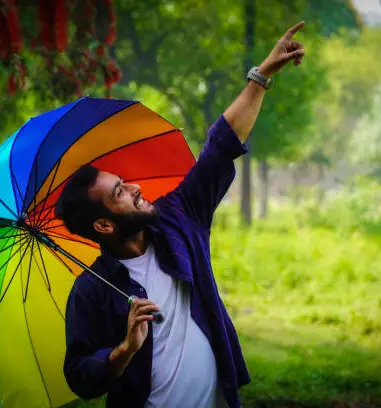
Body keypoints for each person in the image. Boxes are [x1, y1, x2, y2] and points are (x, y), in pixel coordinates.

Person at [55, 21, 306, 408]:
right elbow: (79, 375)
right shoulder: (91, 290)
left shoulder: (176, 221)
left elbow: (220, 147)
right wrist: (124, 350)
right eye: (120, 192)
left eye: (124, 181)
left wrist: (262, 75)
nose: (136, 188)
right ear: (103, 225)